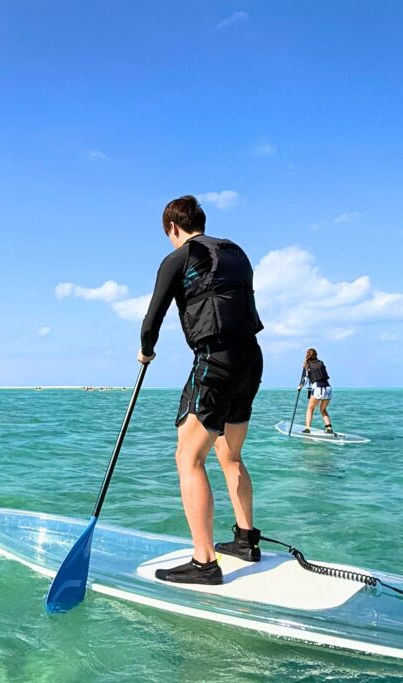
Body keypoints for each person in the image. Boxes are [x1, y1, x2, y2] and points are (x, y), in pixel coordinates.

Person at [137, 195, 265, 585]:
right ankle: (246, 540)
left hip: (215, 361)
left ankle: (204, 563)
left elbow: (152, 316)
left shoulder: (178, 258)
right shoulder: (236, 253)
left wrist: (146, 351)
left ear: (173, 228)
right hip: (251, 359)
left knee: (188, 458)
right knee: (231, 455)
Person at [299, 348, 333, 434]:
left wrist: (300, 386)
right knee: (323, 409)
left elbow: (305, 379)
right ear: (316, 355)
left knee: (310, 408)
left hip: (318, 389)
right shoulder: (321, 363)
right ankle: (329, 428)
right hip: (328, 388)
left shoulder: (307, 365)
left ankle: (307, 429)